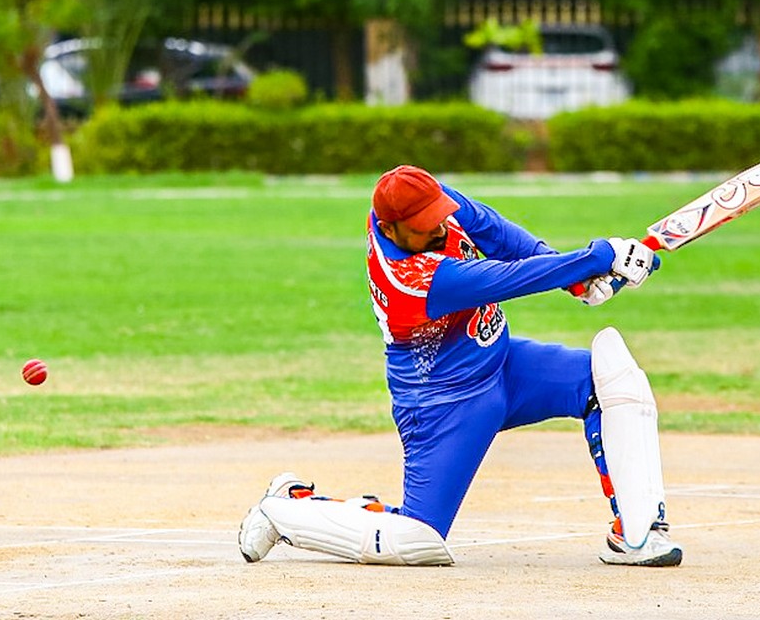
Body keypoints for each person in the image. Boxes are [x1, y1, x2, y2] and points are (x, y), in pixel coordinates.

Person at [237, 164, 680, 568]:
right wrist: (596, 258)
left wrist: (575, 278)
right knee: (417, 538)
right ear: (390, 229)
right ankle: (287, 507)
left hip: (505, 365)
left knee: (609, 380)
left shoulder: (420, 201)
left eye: (439, 216)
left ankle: (636, 534)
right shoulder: (411, 280)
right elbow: (508, 279)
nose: (438, 227)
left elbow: (497, 233)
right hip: (443, 403)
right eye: (423, 226)